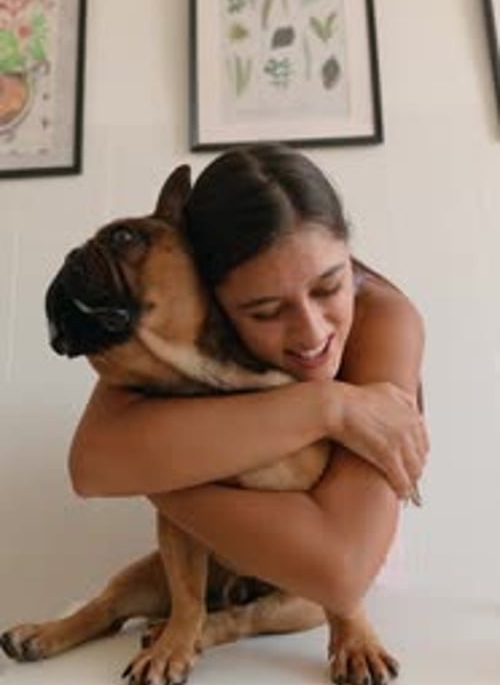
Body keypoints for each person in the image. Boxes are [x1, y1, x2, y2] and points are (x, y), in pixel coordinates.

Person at [69, 144, 428, 648]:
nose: (311, 333)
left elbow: (340, 571)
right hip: (219, 564)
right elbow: (91, 468)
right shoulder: (186, 341)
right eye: (265, 312)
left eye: (329, 287)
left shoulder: (384, 318)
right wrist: (332, 407)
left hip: (319, 604)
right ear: (208, 301)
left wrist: (159, 469)